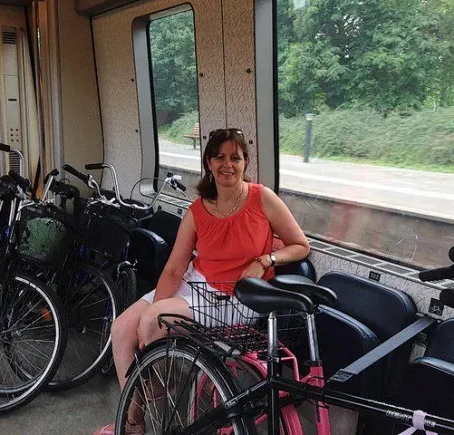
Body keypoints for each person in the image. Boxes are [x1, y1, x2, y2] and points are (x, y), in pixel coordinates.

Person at [94, 128, 310, 434]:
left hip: (239, 297)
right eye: (219, 157)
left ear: (245, 162)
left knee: (152, 320)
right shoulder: (197, 211)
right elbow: (174, 269)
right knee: (122, 328)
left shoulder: (263, 199)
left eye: (235, 157)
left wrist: (266, 260)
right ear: (208, 163)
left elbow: (301, 245)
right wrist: (146, 324)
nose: (228, 164)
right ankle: (150, 392)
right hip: (197, 284)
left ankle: (133, 421)